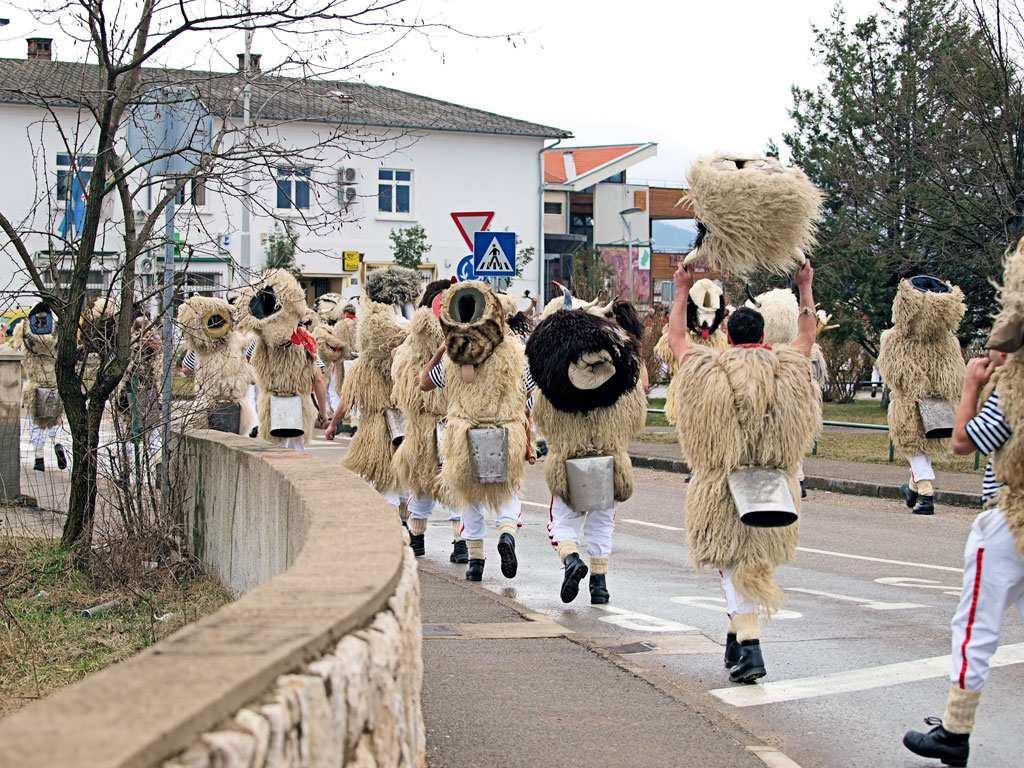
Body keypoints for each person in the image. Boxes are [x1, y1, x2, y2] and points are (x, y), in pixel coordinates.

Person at [667, 260, 820, 684]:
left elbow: (676, 338)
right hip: (774, 483)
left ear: (729, 335)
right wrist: (805, 287)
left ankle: (750, 647)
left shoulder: (708, 368)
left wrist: (682, 290)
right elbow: (808, 335)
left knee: (735, 565)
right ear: (764, 336)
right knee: (753, 562)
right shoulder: (787, 367)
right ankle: (737, 639)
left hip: (722, 486)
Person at [902, 240, 1024, 767]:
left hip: (1009, 517)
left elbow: (963, 440)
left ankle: (955, 730)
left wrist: (972, 387)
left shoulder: (1012, 388)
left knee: (975, 623)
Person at [526, 293, 646, 604]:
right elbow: (636, 421)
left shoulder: (552, 392)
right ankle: (599, 584)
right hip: (609, 460)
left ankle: (571, 559)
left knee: (561, 522)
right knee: (603, 522)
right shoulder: (621, 389)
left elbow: (541, 418)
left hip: (569, 461)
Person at [420, 280, 533, 582]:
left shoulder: (451, 359)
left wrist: (442, 349)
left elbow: (424, 382)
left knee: (468, 495)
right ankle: (507, 531)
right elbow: (531, 392)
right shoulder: (513, 353)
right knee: (507, 488)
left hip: (463, 432)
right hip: (506, 430)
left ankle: (476, 560)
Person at [876, 276, 966, 516]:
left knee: (913, 445)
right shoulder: (948, 341)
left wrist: (918, 388)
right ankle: (912, 488)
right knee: (919, 447)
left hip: (909, 401)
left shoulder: (896, 338)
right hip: (938, 402)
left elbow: (895, 370)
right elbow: (955, 373)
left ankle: (926, 493)